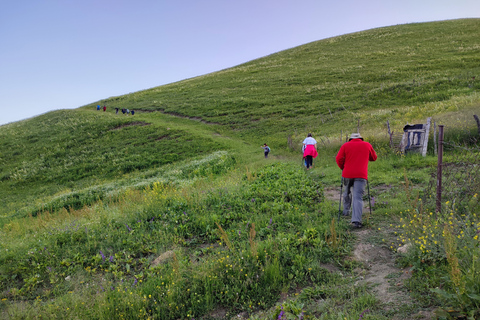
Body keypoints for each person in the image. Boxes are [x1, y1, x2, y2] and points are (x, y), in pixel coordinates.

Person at [335, 133, 377, 228]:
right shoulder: (367, 145)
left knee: (346, 192)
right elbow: (374, 158)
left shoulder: (345, 145)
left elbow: (338, 158)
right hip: (361, 175)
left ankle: (346, 212)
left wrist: (343, 167)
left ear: (350, 139)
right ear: (361, 138)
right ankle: (356, 221)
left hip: (347, 174)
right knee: (358, 197)